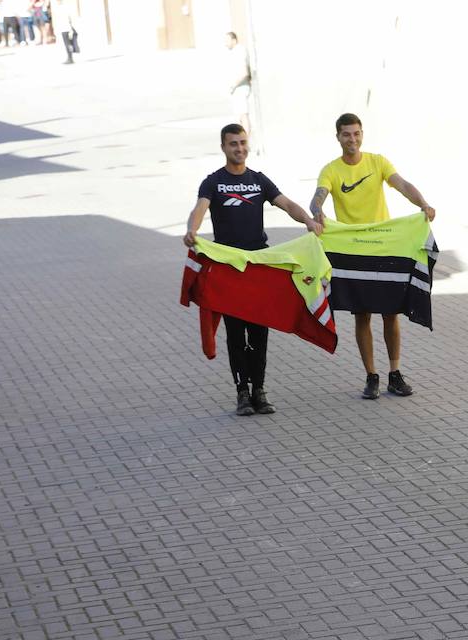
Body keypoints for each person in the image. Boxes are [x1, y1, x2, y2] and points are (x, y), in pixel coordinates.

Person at [184, 124, 324, 416]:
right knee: (236, 334)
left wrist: (308, 222)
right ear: (223, 147)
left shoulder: (258, 180)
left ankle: (259, 390)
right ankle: (242, 393)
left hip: (258, 267)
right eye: (233, 143)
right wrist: (192, 229)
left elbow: (285, 203)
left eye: (243, 143)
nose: (239, 148)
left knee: (259, 332)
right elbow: (200, 207)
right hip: (229, 269)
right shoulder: (213, 182)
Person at [310, 113, 435, 400]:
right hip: (353, 251)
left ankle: (394, 374)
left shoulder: (377, 161)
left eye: (356, 134)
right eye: (346, 135)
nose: (352, 139)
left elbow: (402, 184)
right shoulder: (331, 170)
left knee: (391, 314)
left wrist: (424, 204)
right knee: (362, 315)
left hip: (384, 247)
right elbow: (319, 195)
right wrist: (317, 210)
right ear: (338, 137)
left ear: (362, 134)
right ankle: (371, 376)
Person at [224, 32, 251, 134]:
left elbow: (244, 72)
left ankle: (245, 141)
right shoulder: (234, 52)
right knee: (239, 116)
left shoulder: (240, 51)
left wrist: (234, 85)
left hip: (241, 87)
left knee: (243, 115)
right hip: (238, 87)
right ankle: (242, 140)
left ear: (234, 40)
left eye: (227, 40)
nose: (225, 43)